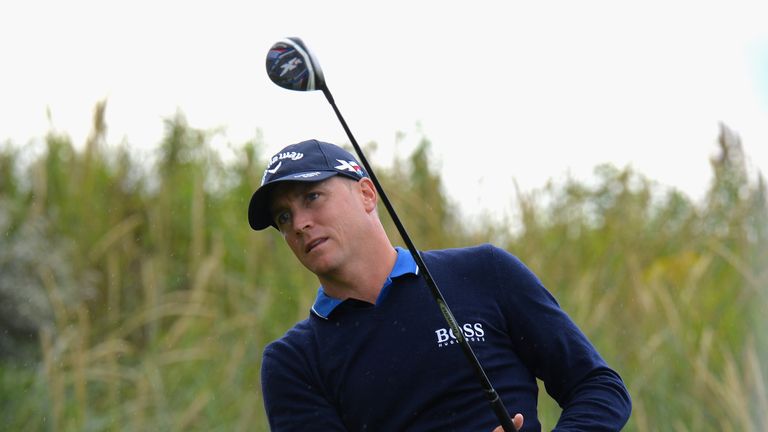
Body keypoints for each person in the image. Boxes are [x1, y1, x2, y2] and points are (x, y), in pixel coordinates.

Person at [249, 139, 631, 431]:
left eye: (312, 197)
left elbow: (598, 387)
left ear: (367, 194)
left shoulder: (484, 273)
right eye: (284, 217)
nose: (299, 223)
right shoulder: (294, 361)